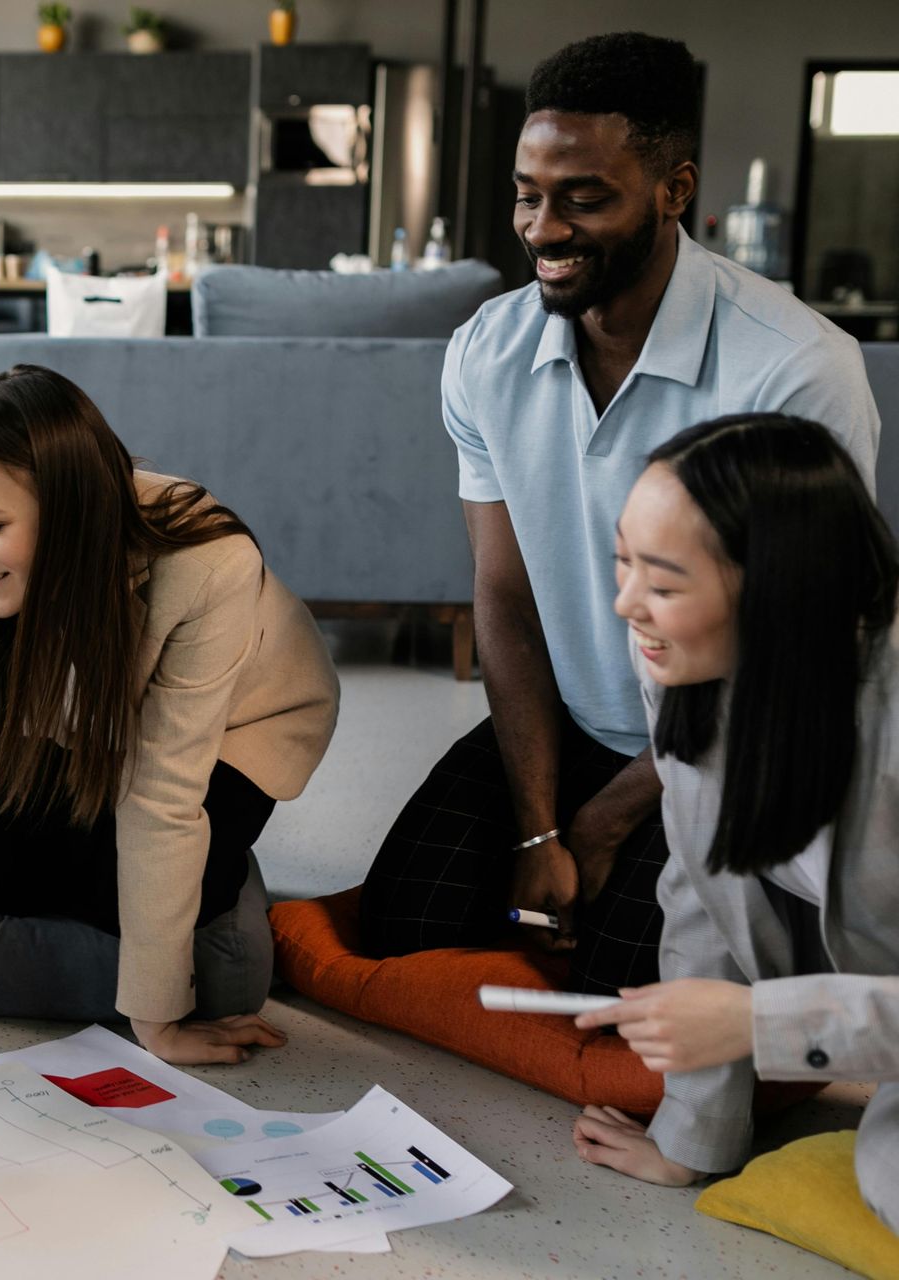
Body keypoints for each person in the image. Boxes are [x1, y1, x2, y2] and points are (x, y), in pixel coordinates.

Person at [358, 31, 879, 994]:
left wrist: (596, 829)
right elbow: (504, 595)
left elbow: (789, 643)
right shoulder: (485, 351)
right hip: (564, 724)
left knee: (624, 991)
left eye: (583, 198)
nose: (543, 228)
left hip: (724, 742)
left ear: (675, 189)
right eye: (527, 193)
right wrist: (538, 824)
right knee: (398, 935)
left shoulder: (796, 367)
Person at [0, 365, 340, 1082]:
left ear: (64, 512)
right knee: (3, 869)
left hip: (236, 728)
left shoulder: (210, 565)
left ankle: (226, 879)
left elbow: (163, 795)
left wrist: (156, 1020)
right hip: (91, 717)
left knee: (140, 880)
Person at [567, 413, 898, 1230]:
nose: (624, 604)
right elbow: (701, 889)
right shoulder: (691, 664)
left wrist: (762, 1024)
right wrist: (692, 1137)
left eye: (665, 584)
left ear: (780, 591)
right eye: (622, 562)